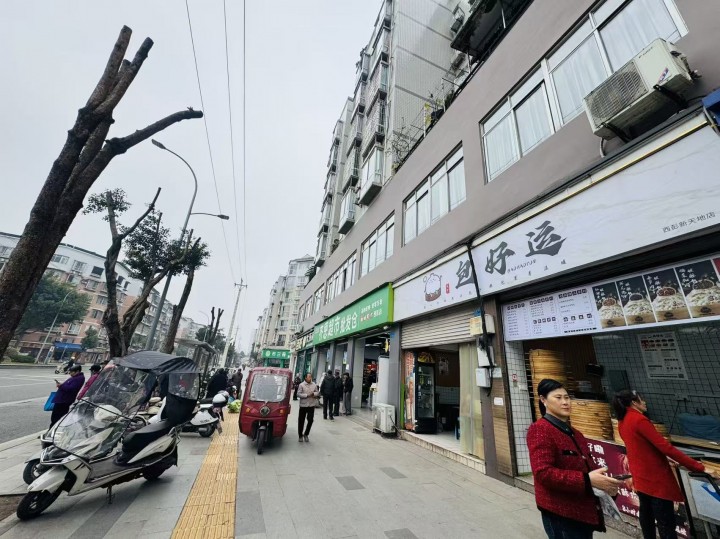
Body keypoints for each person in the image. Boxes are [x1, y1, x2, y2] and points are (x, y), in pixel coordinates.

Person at [613, 390, 718, 539]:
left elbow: (639, 448)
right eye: (642, 400)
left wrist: (662, 458)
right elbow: (666, 447)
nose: (645, 402)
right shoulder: (639, 420)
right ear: (634, 403)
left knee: (647, 516)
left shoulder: (622, 421)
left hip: (641, 479)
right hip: (656, 481)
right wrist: (699, 467)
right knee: (665, 523)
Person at [527, 378, 621, 539]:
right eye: (558, 398)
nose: (565, 402)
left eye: (567, 397)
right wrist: (587, 480)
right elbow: (543, 473)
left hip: (583, 512)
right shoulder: (540, 430)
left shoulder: (577, 434)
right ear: (543, 400)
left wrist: (606, 485)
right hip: (561, 515)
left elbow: (587, 467)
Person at [297, 373, 319, 442]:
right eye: (309, 377)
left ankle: (306, 434)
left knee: (310, 420)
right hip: (303, 405)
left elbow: (317, 392)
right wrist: (306, 395)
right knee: (301, 420)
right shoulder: (301, 385)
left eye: (311, 376)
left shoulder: (314, 384)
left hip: (311, 405)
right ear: (305, 378)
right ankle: (300, 435)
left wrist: (314, 394)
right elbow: (298, 394)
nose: (310, 378)